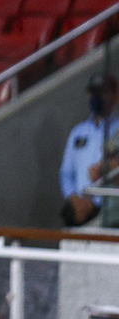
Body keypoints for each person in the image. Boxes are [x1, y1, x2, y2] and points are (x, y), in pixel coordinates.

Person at [61, 73, 118, 227]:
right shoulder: (78, 132)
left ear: (115, 96)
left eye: (102, 92)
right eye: (93, 92)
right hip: (80, 212)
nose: (96, 97)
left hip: (110, 210)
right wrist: (74, 198)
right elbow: (66, 173)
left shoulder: (117, 130)